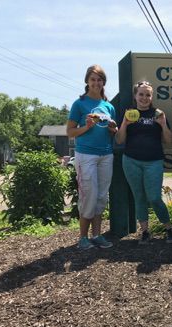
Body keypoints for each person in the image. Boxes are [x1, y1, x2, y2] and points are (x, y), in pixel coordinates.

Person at [115, 81, 172, 245]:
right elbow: (120, 140)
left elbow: (169, 141)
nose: (144, 98)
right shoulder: (129, 114)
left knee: (155, 197)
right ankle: (145, 232)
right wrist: (124, 124)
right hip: (131, 161)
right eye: (141, 94)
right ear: (135, 96)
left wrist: (163, 125)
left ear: (152, 97)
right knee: (139, 197)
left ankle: (169, 228)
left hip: (154, 161)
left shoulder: (157, 114)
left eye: (147, 95)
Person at [66, 64, 118, 250]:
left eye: (99, 79)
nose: (96, 83)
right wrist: (87, 126)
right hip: (85, 155)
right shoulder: (79, 104)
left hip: (106, 155)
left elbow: (112, 133)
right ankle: (82, 238)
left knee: (102, 197)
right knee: (89, 196)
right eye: (93, 79)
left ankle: (97, 235)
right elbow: (70, 132)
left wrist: (114, 129)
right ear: (87, 81)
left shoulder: (109, 107)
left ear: (104, 82)